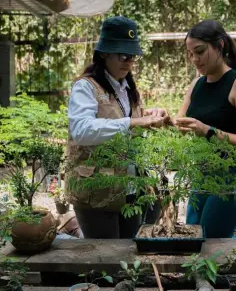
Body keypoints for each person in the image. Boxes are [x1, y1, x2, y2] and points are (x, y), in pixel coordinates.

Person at [66, 16, 169, 239]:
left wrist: (150, 114)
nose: (128, 61)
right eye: (123, 55)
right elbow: (82, 130)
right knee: (103, 260)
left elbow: (124, 119)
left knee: (129, 254)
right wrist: (133, 122)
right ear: (104, 53)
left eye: (132, 56)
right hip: (96, 191)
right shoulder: (85, 87)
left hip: (130, 188)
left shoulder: (127, 88)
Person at [173, 20, 236, 238]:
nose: (194, 59)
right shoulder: (197, 84)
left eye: (200, 51)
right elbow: (181, 124)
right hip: (200, 173)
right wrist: (162, 119)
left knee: (210, 242)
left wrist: (208, 131)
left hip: (233, 177)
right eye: (190, 53)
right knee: (193, 239)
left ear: (220, 45)